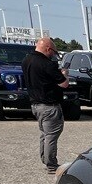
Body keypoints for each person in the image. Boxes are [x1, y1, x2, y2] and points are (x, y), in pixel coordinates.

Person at [21, 37, 69, 174]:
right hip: (49, 105)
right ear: (48, 49)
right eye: (53, 52)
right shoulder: (47, 64)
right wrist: (65, 74)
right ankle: (52, 165)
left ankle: (45, 158)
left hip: (35, 105)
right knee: (51, 135)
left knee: (44, 134)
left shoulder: (26, 61)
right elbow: (64, 84)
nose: (53, 55)